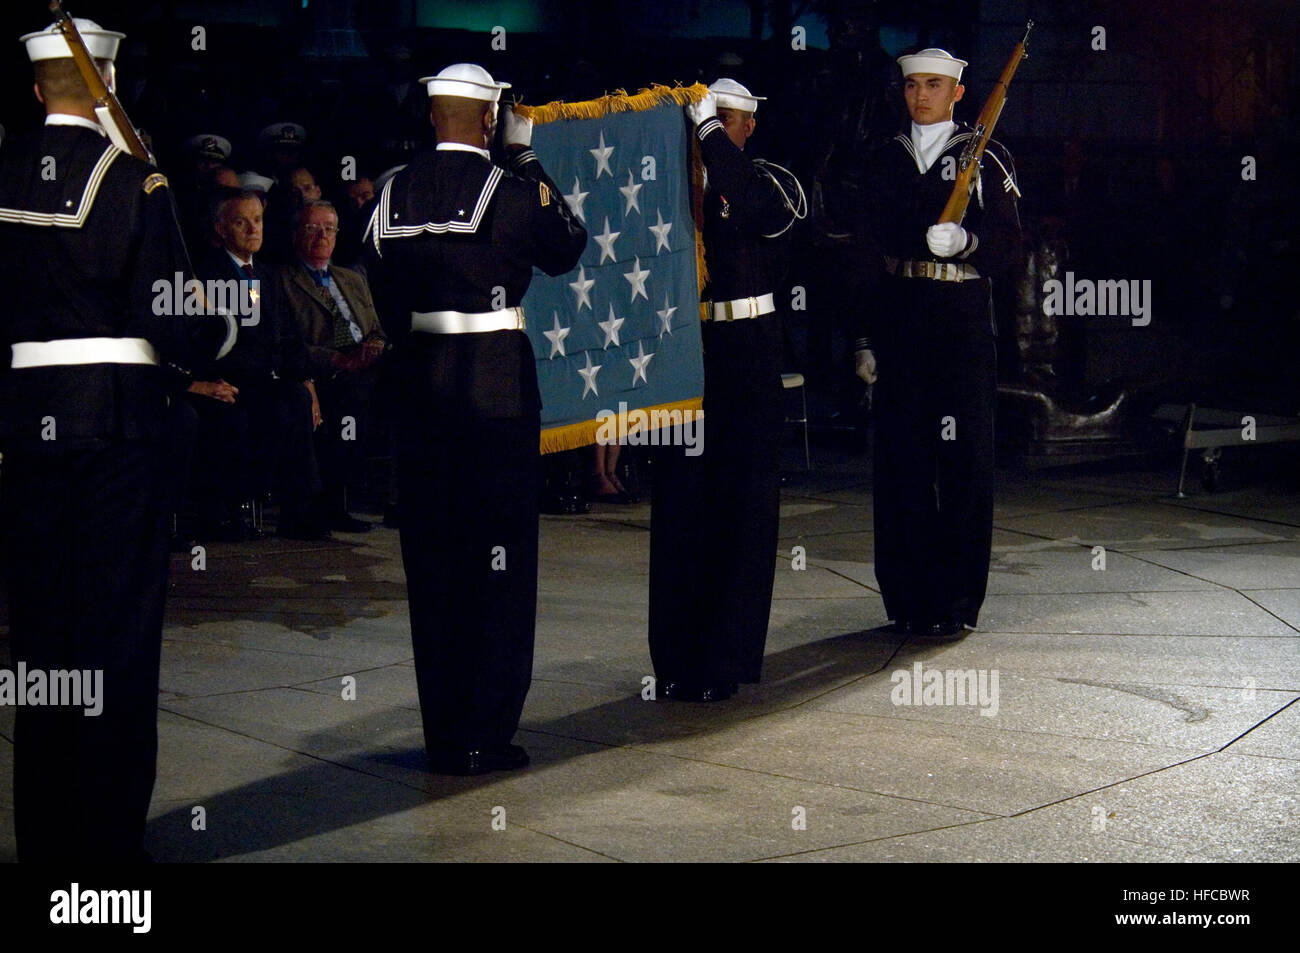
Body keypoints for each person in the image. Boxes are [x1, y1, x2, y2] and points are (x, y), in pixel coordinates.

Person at [0, 17, 235, 861]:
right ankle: (103, 844)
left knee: (42, 640)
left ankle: (47, 839)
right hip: (118, 426)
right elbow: (173, 322)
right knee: (115, 638)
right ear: (107, 87)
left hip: (26, 425)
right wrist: (219, 339)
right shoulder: (136, 182)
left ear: (36, 89)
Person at [362, 63, 586, 774]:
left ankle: (444, 730)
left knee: (431, 560)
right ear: (489, 120)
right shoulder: (512, 191)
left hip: (421, 382)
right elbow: (569, 243)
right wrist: (525, 155)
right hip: (495, 389)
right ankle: (485, 731)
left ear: (433, 117)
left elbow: (384, 293)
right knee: (499, 562)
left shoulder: (391, 192)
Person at [852, 48, 1021, 638]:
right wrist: (865, 336)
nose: (920, 95)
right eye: (912, 85)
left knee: (963, 461)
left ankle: (954, 601)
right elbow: (865, 256)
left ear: (957, 93)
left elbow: (1010, 246)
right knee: (901, 460)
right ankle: (906, 595)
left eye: (933, 85)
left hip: (960, 321)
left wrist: (968, 243)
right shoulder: (881, 159)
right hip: (901, 315)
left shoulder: (985, 155)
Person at [649, 79, 800, 702]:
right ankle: (678, 659)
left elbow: (749, 202)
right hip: (687, 352)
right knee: (683, 505)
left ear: (749, 127)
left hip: (747, 355)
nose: (712, 131)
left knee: (742, 504)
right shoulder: (674, 190)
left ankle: (724, 658)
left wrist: (711, 136)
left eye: (727, 121)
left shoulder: (773, 182)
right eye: (705, 123)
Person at [189, 188, 326, 540]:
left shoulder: (268, 275)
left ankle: (299, 512)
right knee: (237, 414)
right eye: (241, 222)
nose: (253, 229)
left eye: (258, 220)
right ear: (221, 229)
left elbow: (289, 340)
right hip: (223, 380)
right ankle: (226, 514)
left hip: (261, 380)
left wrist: (307, 380)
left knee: (296, 399)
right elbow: (198, 340)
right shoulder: (203, 274)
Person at [280, 199, 386, 532]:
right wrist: (338, 358)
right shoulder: (282, 280)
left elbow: (375, 327)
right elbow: (287, 344)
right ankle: (331, 505)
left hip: (367, 365)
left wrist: (376, 345)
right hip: (325, 369)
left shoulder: (351, 278)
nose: (322, 235)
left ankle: (404, 500)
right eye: (313, 228)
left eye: (329, 228)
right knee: (349, 399)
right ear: (297, 234)